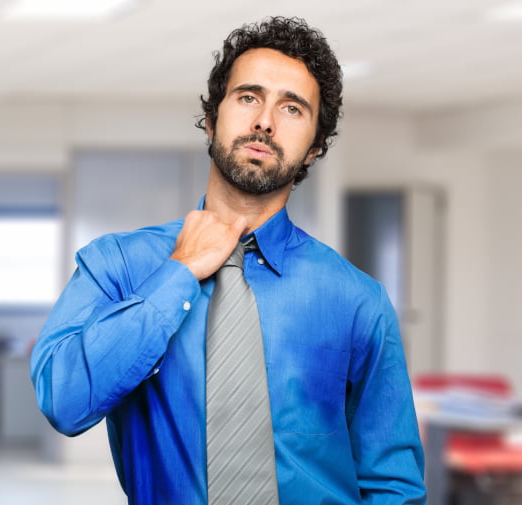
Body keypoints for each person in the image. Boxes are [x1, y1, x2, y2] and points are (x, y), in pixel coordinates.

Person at [30, 16, 426, 505]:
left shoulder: (358, 301)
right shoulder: (119, 265)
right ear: (211, 118)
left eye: (292, 108)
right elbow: (64, 401)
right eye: (248, 97)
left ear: (313, 150)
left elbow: (393, 484)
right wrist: (176, 274)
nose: (264, 120)